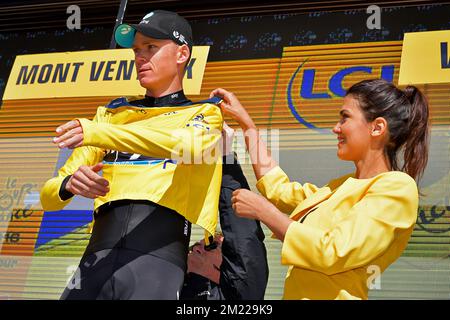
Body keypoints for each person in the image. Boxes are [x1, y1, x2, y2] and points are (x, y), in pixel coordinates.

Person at [40, 10, 224, 299]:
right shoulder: (112, 114)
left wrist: (97, 132)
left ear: (181, 54)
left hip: (157, 262)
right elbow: (47, 197)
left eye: (151, 47)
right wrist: (69, 185)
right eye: (137, 49)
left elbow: (187, 146)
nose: (140, 57)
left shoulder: (205, 114)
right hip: (94, 260)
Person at [211, 79, 430, 300]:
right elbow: (278, 188)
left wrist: (265, 213)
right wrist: (247, 125)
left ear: (377, 127)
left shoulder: (397, 188)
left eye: (345, 117)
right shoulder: (339, 187)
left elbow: (335, 251)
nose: (336, 128)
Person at [181, 123, 269, 300]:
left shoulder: (239, 298)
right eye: (198, 244)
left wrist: (225, 157)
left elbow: (243, 239)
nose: (198, 246)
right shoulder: (164, 285)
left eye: (211, 245)